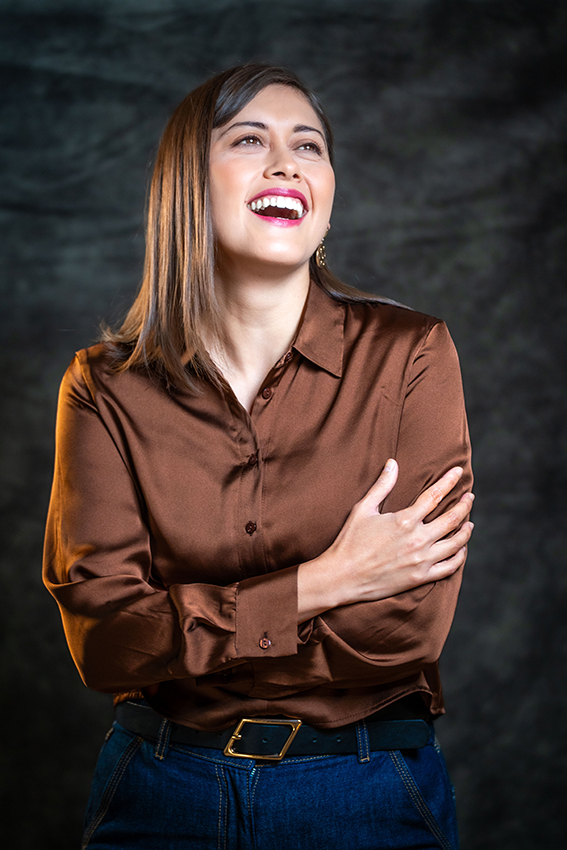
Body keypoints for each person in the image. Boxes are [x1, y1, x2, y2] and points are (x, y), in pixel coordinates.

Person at [43, 64, 473, 850]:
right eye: (249, 140)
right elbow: (106, 642)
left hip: (366, 792)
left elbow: (405, 630)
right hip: (158, 794)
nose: (286, 163)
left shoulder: (410, 355)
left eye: (308, 146)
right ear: (186, 186)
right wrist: (325, 582)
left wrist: (187, 632)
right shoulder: (104, 387)